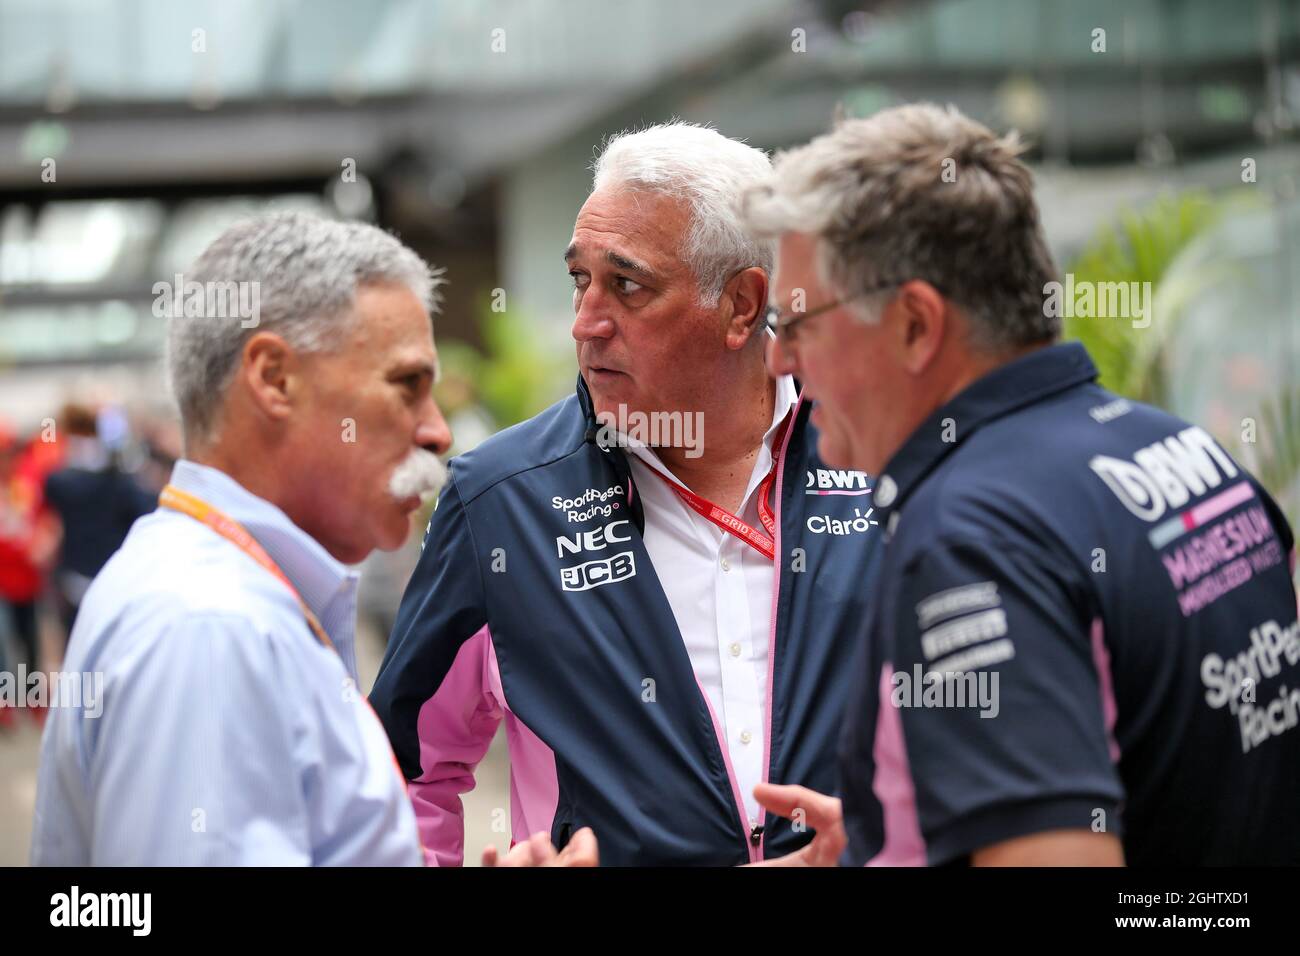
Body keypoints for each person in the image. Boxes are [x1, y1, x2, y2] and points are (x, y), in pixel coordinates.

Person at [738, 102, 1300, 866]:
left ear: (913, 324)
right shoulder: (1181, 451)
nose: (779, 362)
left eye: (797, 324)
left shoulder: (973, 538)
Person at [369, 122, 884, 866]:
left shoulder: (879, 465)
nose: (586, 323)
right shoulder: (503, 502)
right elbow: (404, 771)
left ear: (743, 305)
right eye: (581, 280)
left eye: (629, 285)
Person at [32, 211, 451, 865]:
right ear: (274, 380)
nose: (437, 432)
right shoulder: (209, 626)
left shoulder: (222, 596)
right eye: (408, 386)